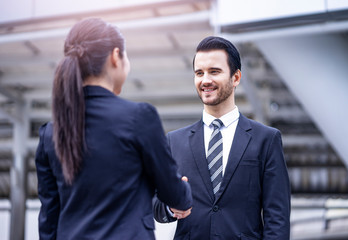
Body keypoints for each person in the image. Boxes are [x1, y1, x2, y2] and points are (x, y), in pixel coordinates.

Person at [35, 18, 192, 240]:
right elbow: (171, 191)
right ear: (115, 57)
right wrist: (183, 193)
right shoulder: (139, 117)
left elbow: (49, 222)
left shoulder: (50, 134)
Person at [153, 36, 291, 239]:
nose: (205, 80)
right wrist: (170, 206)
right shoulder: (174, 141)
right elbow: (156, 204)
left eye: (214, 71)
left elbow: (277, 219)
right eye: (199, 73)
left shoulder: (266, 140)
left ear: (236, 78)